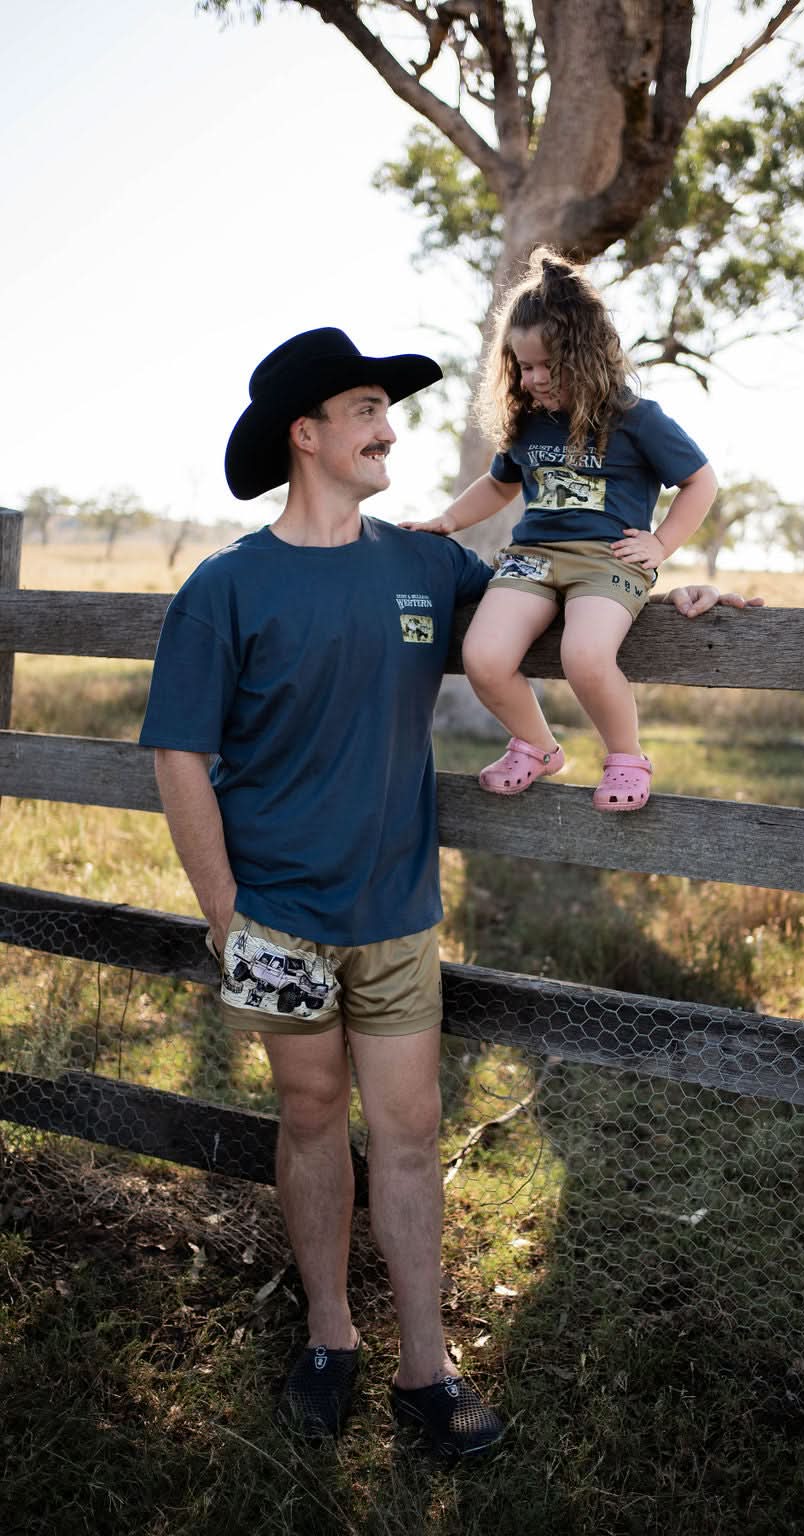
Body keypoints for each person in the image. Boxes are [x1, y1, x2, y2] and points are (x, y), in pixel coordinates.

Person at [138, 326, 505, 1458]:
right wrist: (225, 915)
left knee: (408, 1129)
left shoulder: (426, 565)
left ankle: (425, 1369)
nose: (387, 428)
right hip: (279, 922)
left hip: (396, 915)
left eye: (384, 412)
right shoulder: (227, 587)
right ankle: (330, 1337)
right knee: (308, 1119)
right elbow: (179, 754)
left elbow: (537, 610)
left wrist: (658, 584)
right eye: (364, 411)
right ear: (308, 435)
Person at [403, 246, 762, 810]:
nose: (536, 378)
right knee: (483, 657)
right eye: (524, 366)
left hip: (608, 558)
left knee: (585, 656)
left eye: (551, 364)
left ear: (588, 354)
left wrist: (662, 542)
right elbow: (499, 485)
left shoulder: (636, 417)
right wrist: (449, 519)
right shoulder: (527, 424)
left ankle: (625, 757)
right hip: (532, 558)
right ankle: (538, 746)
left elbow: (700, 482)